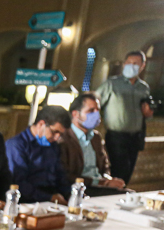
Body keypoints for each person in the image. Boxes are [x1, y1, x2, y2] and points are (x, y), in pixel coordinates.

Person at [95, 50, 154, 184]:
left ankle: (120, 193)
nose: (131, 66)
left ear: (142, 66)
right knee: (118, 172)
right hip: (116, 137)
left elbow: (145, 112)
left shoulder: (144, 87)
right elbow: (95, 102)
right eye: (129, 63)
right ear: (124, 64)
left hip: (135, 138)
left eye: (135, 63)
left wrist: (148, 113)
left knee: (128, 173)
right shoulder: (112, 84)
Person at [59, 92, 126, 196]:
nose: (96, 114)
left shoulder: (96, 137)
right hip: (78, 189)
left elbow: (105, 167)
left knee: (130, 196)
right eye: (90, 111)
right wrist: (101, 182)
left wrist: (108, 180)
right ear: (75, 114)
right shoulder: (63, 138)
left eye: (97, 110)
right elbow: (65, 175)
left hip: (100, 187)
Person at [5, 105, 71, 204]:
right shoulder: (16, 145)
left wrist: (70, 194)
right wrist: (50, 198)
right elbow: (19, 183)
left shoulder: (53, 145)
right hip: (28, 201)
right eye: (54, 132)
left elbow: (61, 176)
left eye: (60, 134)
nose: (57, 138)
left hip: (53, 198)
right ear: (41, 124)